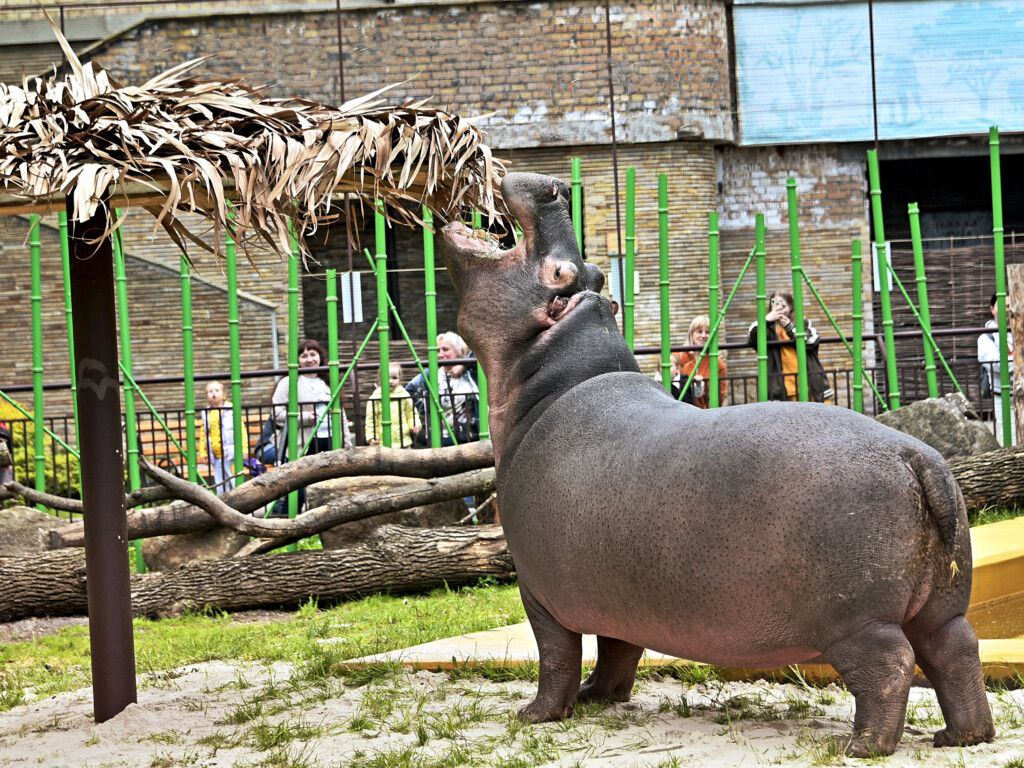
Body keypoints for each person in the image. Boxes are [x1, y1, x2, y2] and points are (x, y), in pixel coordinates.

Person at [270, 339, 352, 516]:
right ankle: (286, 523)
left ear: (320, 357)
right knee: (298, 488)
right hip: (304, 441)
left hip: (330, 439)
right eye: (304, 355)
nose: (309, 359)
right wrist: (305, 417)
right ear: (298, 360)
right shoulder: (289, 382)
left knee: (331, 486)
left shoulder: (329, 380)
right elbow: (276, 413)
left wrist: (346, 441)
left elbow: (341, 414)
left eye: (313, 354)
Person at [747, 290, 832, 403]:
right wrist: (766, 319)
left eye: (783, 305)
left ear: (790, 306)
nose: (779, 309)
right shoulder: (767, 329)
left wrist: (790, 328)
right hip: (782, 388)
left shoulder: (802, 323)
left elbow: (812, 340)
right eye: (776, 305)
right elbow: (752, 338)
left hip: (809, 384)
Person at [406, 332, 480, 447]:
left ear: (457, 351)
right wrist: (427, 407)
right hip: (442, 439)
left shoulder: (471, 371)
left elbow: (482, 352)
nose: (440, 354)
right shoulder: (431, 374)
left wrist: (463, 365)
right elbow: (409, 391)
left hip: (473, 438)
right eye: (437, 350)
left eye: (445, 350)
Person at [978, 293, 1015, 445]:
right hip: (1003, 397)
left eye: (1009, 305)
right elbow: (998, 366)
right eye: (1002, 305)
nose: (1007, 309)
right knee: (1010, 442)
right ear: (992, 309)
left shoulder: (1018, 331)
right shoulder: (985, 338)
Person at [671, 315, 727, 408]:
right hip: (680, 409)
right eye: (699, 331)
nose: (704, 335)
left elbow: (721, 394)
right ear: (691, 334)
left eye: (707, 332)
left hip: (707, 411)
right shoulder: (678, 356)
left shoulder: (716, 362)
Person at [365, 363, 416, 447]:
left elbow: (411, 413)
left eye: (394, 378)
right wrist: (371, 437)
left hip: (403, 441)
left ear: (400, 379)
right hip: (382, 443)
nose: (390, 381)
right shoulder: (375, 397)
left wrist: (414, 425)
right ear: (379, 379)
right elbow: (370, 420)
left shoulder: (404, 395)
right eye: (386, 377)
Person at [201, 380, 235, 492]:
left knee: (233, 479)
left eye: (217, 390)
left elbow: (241, 430)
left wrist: (243, 448)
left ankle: (238, 498)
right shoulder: (206, 413)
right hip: (215, 454)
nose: (213, 393)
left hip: (230, 452)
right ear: (207, 395)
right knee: (220, 481)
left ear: (224, 394)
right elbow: (204, 434)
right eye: (210, 391)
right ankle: (222, 500)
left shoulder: (231, 409)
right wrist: (203, 452)